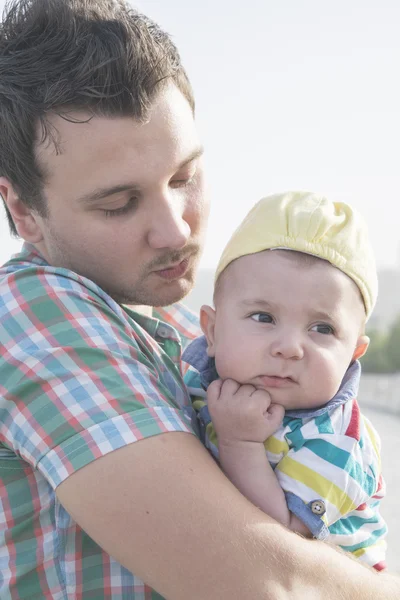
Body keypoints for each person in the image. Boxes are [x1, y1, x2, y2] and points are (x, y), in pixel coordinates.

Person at [0, 0, 398, 598]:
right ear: (23, 210)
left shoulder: (184, 326)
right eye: (118, 204)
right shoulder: (31, 311)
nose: (177, 231)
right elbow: (270, 584)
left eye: (184, 178)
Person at [183, 191, 387, 571]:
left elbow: (280, 542)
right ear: (212, 331)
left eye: (322, 328)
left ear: (352, 356)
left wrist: (239, 441)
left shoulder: (338, 439)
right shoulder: (189, 376)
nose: (290, 348)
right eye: (263, 318)